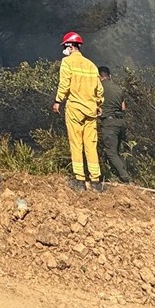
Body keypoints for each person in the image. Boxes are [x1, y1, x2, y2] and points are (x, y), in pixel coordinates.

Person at [52, 31, 103, 191]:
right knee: (91, 144)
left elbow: (64, 83)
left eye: (65, 46)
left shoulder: (67, 62)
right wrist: (98, 104)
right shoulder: (91, 65)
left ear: (69, 46)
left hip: (75, 108)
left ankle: (80, 180)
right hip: (91, 109)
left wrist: (57, 101)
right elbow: (99, 89)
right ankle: (95, 181)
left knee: (76, 143)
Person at [98, 65, 131, 184]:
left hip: (109, 122)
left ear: (99, 77)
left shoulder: (99, 87)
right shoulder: (118, 88)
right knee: (118, 150)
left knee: (111, 152)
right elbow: (123, 107)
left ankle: (125, 178)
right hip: (121, 122)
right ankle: (123, 173)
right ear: (110, 76)